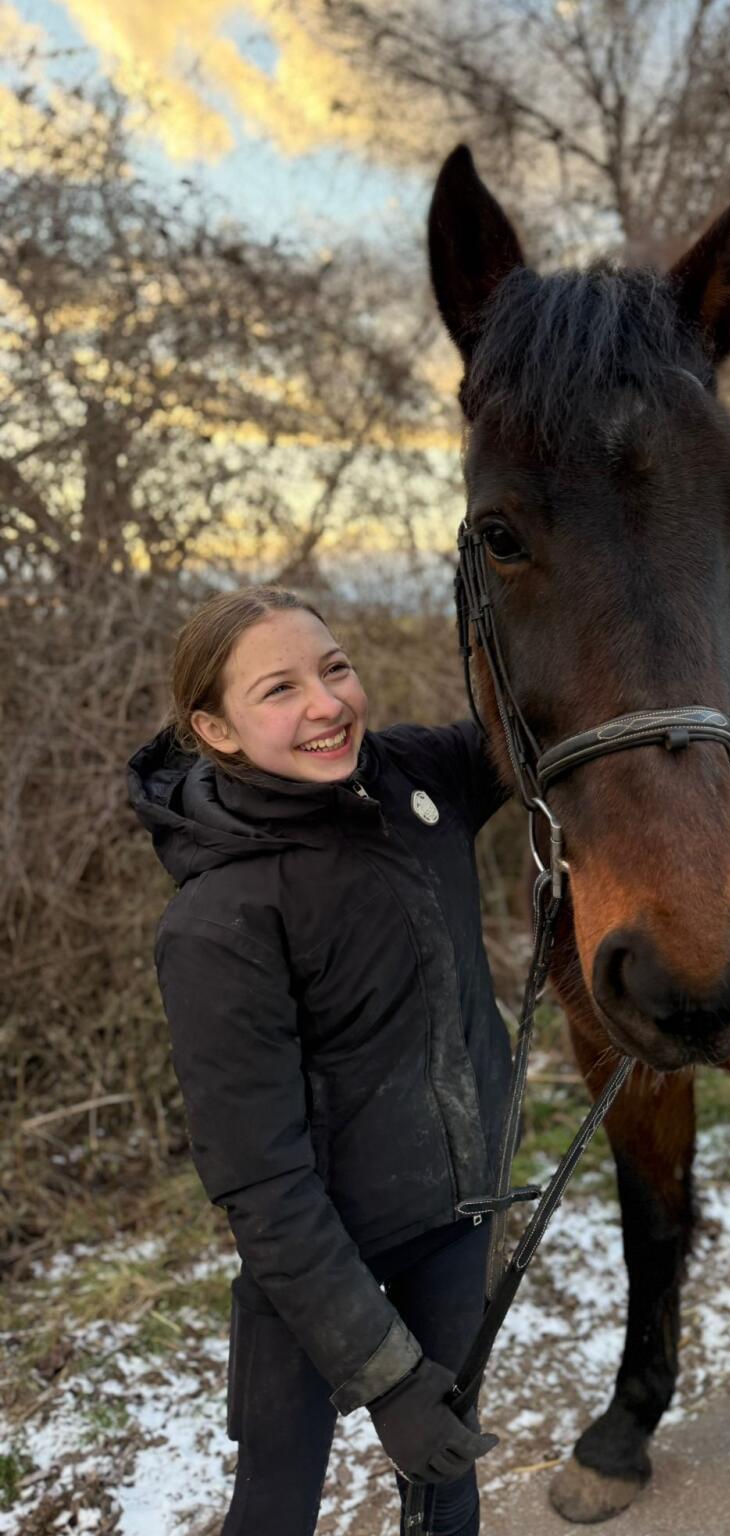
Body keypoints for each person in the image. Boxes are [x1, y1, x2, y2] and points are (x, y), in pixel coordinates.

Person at [127, 584, 512, 1536]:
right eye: (280, 690)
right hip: (314, 1262)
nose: (327, 704)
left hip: (458, 1216)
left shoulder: (417, 781)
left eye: (334, 668)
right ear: (213, 729)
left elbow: (541, 715)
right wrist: (386, 1380)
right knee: (276, 1504)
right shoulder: (220, 923)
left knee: (445, 1483)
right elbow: (261, 1183)